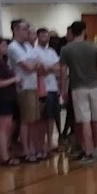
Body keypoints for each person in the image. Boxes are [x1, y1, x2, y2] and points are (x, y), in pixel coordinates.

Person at [59, 20, 97, 162]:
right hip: (95, 86)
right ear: (84, 31)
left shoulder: (66, 49)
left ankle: (87, 152)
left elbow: (63, 72)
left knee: (84, 121)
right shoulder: (93, 47)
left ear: (71, 32)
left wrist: (63, 90)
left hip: (78, 88)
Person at [7, 19, 42, 162]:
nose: (27, 31)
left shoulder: (28, 46)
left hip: (33, 85)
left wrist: (33, 64)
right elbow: (27, 66)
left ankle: (32, 148)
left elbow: (38, 63)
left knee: (33, 120)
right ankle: (25, 150)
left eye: (28, 28)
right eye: (24, 29)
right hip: (23, 87)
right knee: (26, 120)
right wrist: (33, 63)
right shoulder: (13, 47)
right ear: (15, 30)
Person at [0, 37, 20, 166]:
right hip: (1, 98)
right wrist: (14, 80)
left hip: (8, 97)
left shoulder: (4, 62)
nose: (5, 48)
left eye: (6, 46)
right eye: (3, 46)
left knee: (9, 126)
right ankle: (4, 157)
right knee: (4, 127)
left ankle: (5, 152)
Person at [35, 28, 61, 156]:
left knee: (51, 117)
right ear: (38, 37)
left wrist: (49, 68)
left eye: (47, 36)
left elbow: (58, 67)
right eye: (43, 36)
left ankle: (51, 142)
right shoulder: (35, 51)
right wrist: (50, 68)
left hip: (53, 87)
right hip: (43, 89)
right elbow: (40, 70)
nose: (45, 38)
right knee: (43, 118)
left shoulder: (51, 51)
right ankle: (41, 143)